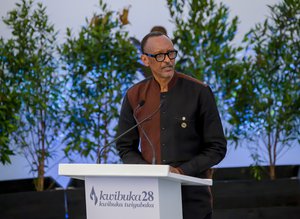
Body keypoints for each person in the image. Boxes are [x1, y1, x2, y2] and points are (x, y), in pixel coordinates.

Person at [116, 31, 227, 219]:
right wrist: (149, 172)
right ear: (145, 59)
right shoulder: (135, 95)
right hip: (149, 197)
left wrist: (180, 172)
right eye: (159, 55)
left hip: (193, 197)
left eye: (171, 53)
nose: (167, 60)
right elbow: (125, 147)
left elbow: (217, 147)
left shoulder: (199, 92)